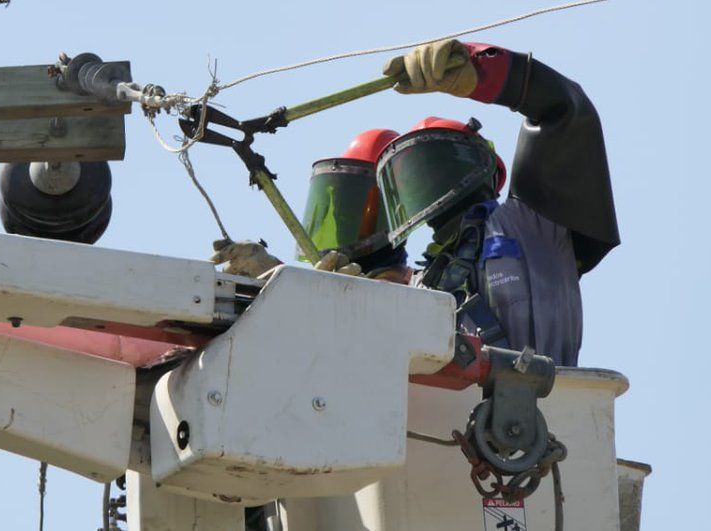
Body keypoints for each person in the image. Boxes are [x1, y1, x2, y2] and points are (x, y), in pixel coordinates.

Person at [376, 39, 619, 366]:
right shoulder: (418, 286)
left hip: (550, 405)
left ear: (484, 167)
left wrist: (479, 68)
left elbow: (565, 110)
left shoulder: (531, 222)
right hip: (452, 414)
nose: (429, 181)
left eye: (436, 162)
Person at [211, 129, 407, 281]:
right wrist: (271, 273)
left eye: (356, 204)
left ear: (394, 213)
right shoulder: (331, 275)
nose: (342, 217)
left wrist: (358, 296)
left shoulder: (418, 289)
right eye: (339, 204)